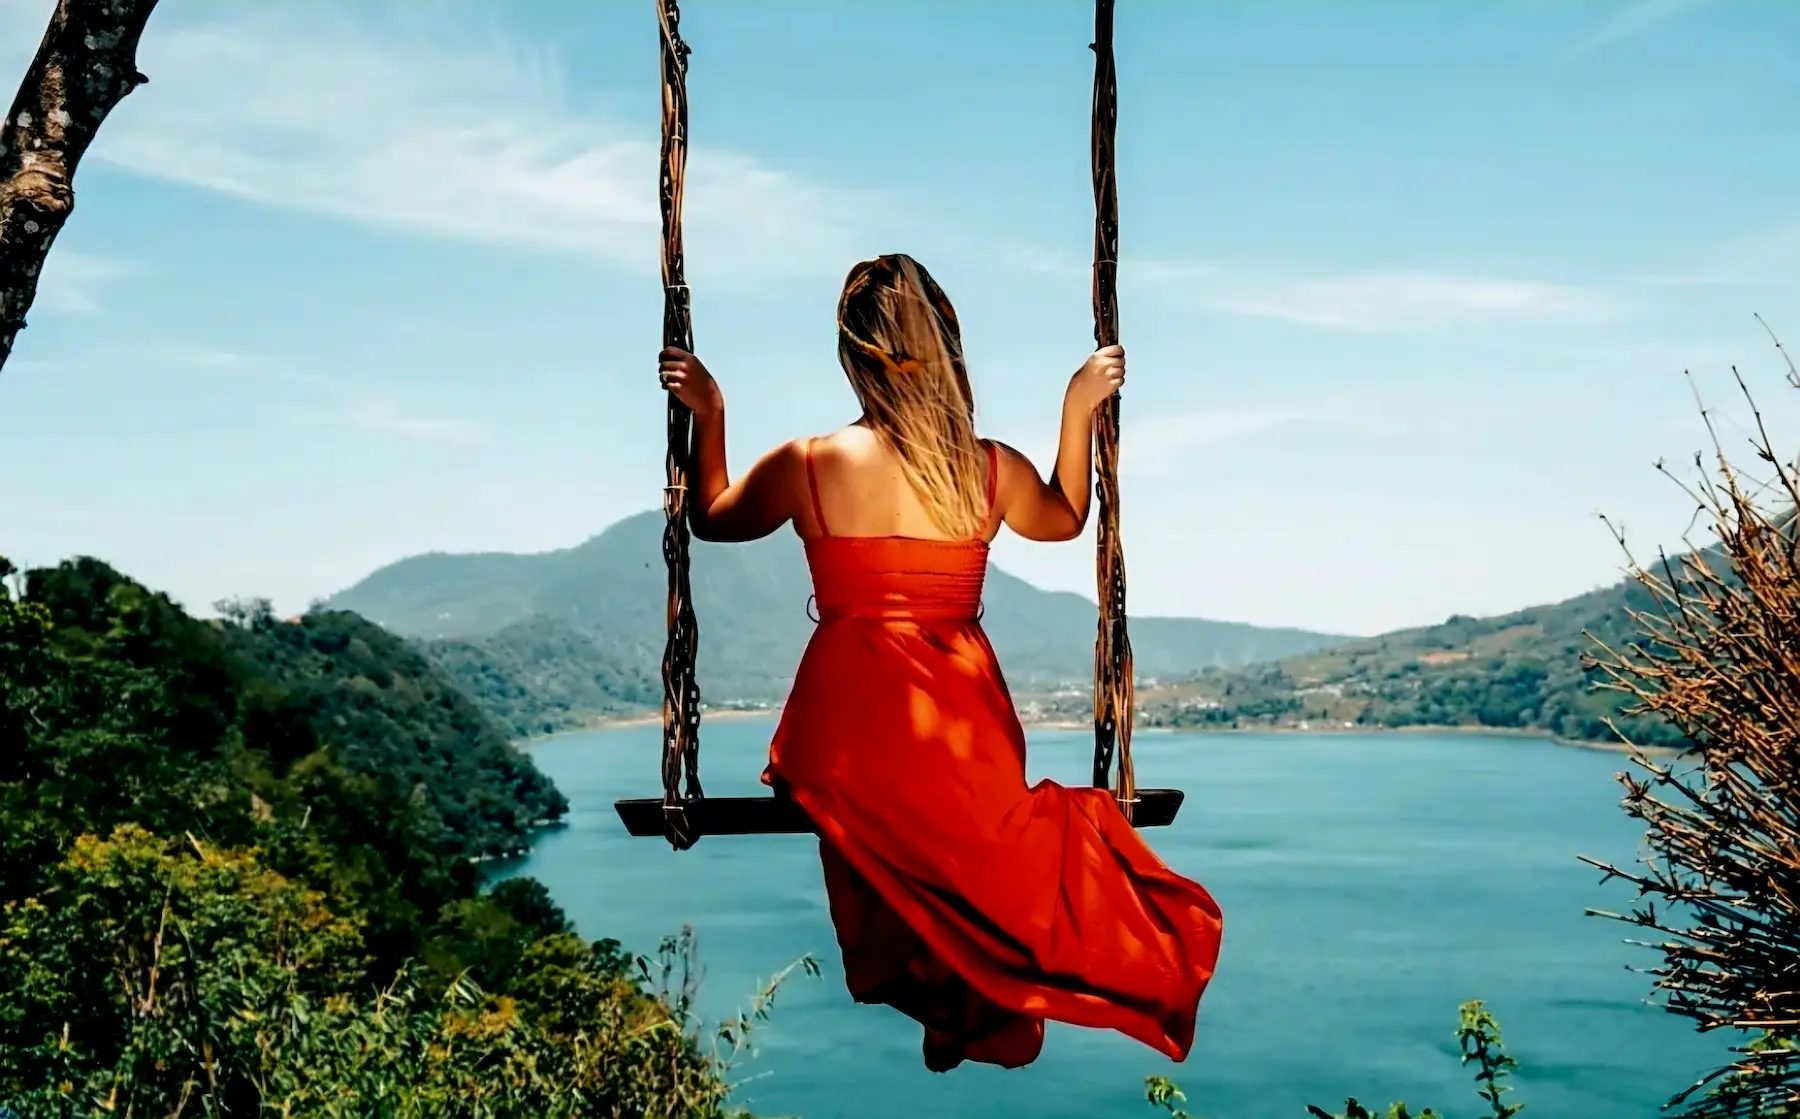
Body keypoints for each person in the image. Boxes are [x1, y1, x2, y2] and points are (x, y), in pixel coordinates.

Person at [657, 253, 1223, 1072]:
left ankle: (941, 988)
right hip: (961, 727)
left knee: (888, 843)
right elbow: (1065, 516)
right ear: (949, 348)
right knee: (994, 847)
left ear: (852, 356)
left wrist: (711, 410)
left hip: (847, 733)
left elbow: (711, 516)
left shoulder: (808, 464)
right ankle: (969, 990)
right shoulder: (981, 468)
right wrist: (1078, 406)